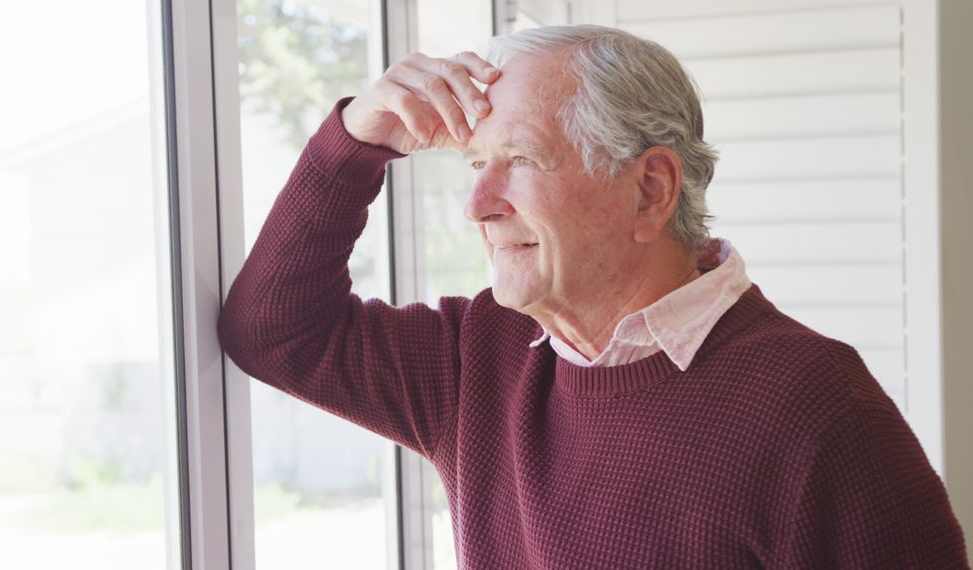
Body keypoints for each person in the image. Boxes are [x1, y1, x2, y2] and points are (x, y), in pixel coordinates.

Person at [218, 25, 968, 568]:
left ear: (650, 190)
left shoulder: (817, 408)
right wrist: (357, 138)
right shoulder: (480, 356)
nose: (476, 204)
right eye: (476, 163)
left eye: (520, 159)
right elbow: (274, 331)